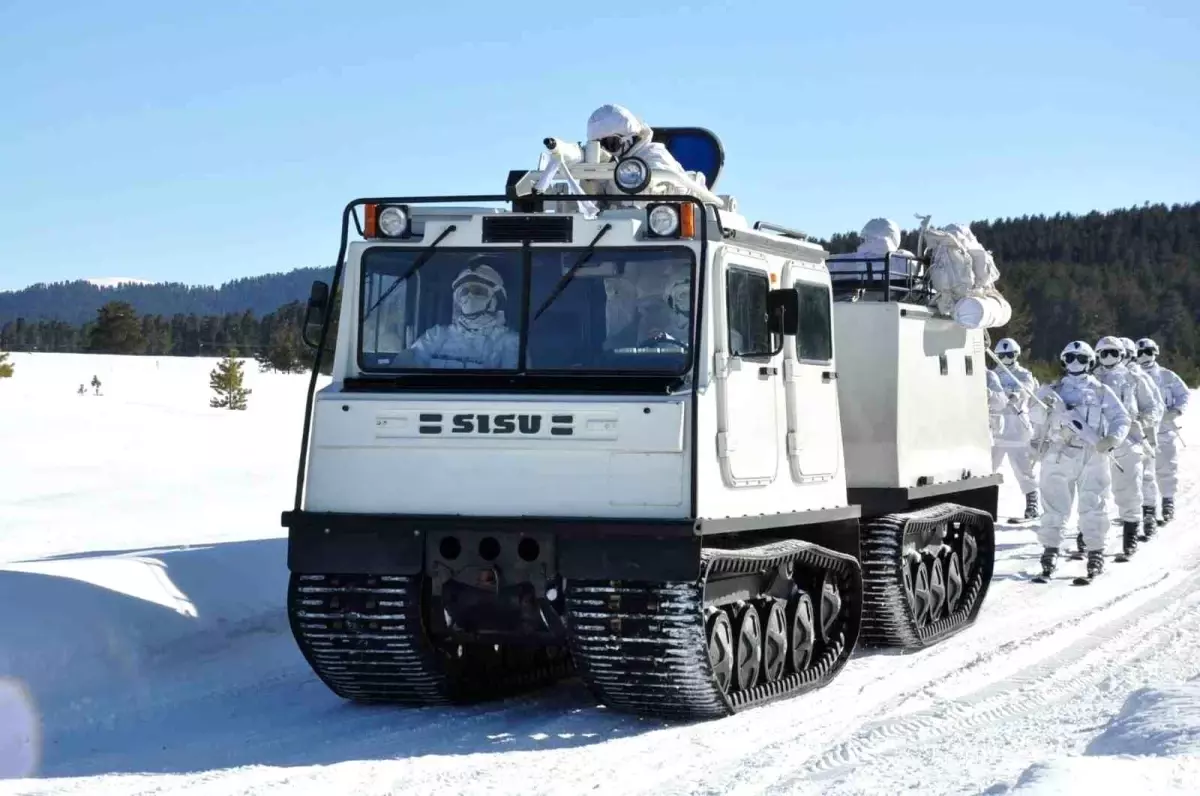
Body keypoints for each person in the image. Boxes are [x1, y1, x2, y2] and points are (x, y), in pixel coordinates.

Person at [1029, 341, 1131, 582]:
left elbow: (1121, 417)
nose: (1076, 363)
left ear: (1090, 362)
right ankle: (1050, 551)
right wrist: (1046, 408)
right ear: (1064, 361)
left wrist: (1112, 438)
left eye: (1082, 359)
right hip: (1058, 453)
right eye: (1072, 358)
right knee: (1053, 507)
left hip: (1091, 454)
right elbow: (1033, 414)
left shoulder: (1100, 391)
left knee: (1094, 505)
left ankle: (1095, 553)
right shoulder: (1051, 390)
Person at [1092, 336, 1161, 559]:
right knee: (1093, 491)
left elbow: (1153, 406)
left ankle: (1130, 534)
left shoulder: (1134, 378)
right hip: (1098, 442)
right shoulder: (1091, 379)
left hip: (1128, 440)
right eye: (1104, 353)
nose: (1109, 358)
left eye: (1114, 353)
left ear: (1122, 355)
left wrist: (1143, 420)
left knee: (1128, 489)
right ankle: (1090, 537)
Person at [392, 258, 519, 369]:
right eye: (464, 292)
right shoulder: (436, 335)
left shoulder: (508, 341)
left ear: (495, 300)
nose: (469, 296)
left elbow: (514, 391)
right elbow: (406, 367)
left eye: (478, 291)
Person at [585, 104, 696, 197]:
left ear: (629, 138)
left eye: (611, 143)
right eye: (597, 146)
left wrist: (612, 171)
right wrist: (590, 180)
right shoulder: (611, 164)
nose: (604, 151)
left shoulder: (654, 155)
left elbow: (649, 194)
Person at [1136, 337, 1190, 527]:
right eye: (1140, 353)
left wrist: (1176, 411)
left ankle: (1167, 501)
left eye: (1148, 352)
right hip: (1142, 433)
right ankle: (1146, 508)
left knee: (1167, 468)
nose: (1144, 356)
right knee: (1144, 473)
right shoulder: (1132, 376)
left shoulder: (1167, 376)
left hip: (1164, 431)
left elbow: (1183, 394)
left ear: (1155, 352)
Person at [1119, 335, 1166, 539]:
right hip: (1118, 439)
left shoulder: (1140, 377)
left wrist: (1143, 421)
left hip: (1142, 436)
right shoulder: (1107, 377)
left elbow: (1156, 407)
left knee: (1146, 475)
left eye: (1128, 355)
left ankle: (1148, 512)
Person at [990, 338, 1041, 519]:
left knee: (1023, 469)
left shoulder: (1022, 374)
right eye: (1001, 356)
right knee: (987, 470)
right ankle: (986, 505)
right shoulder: (990, 375)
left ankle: (1032, 503)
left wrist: (1016, 395)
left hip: (1017, 429)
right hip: (995, 429)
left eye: (1009, 355)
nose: (1005, 359)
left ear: (1016, 355)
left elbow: (1027, 389)